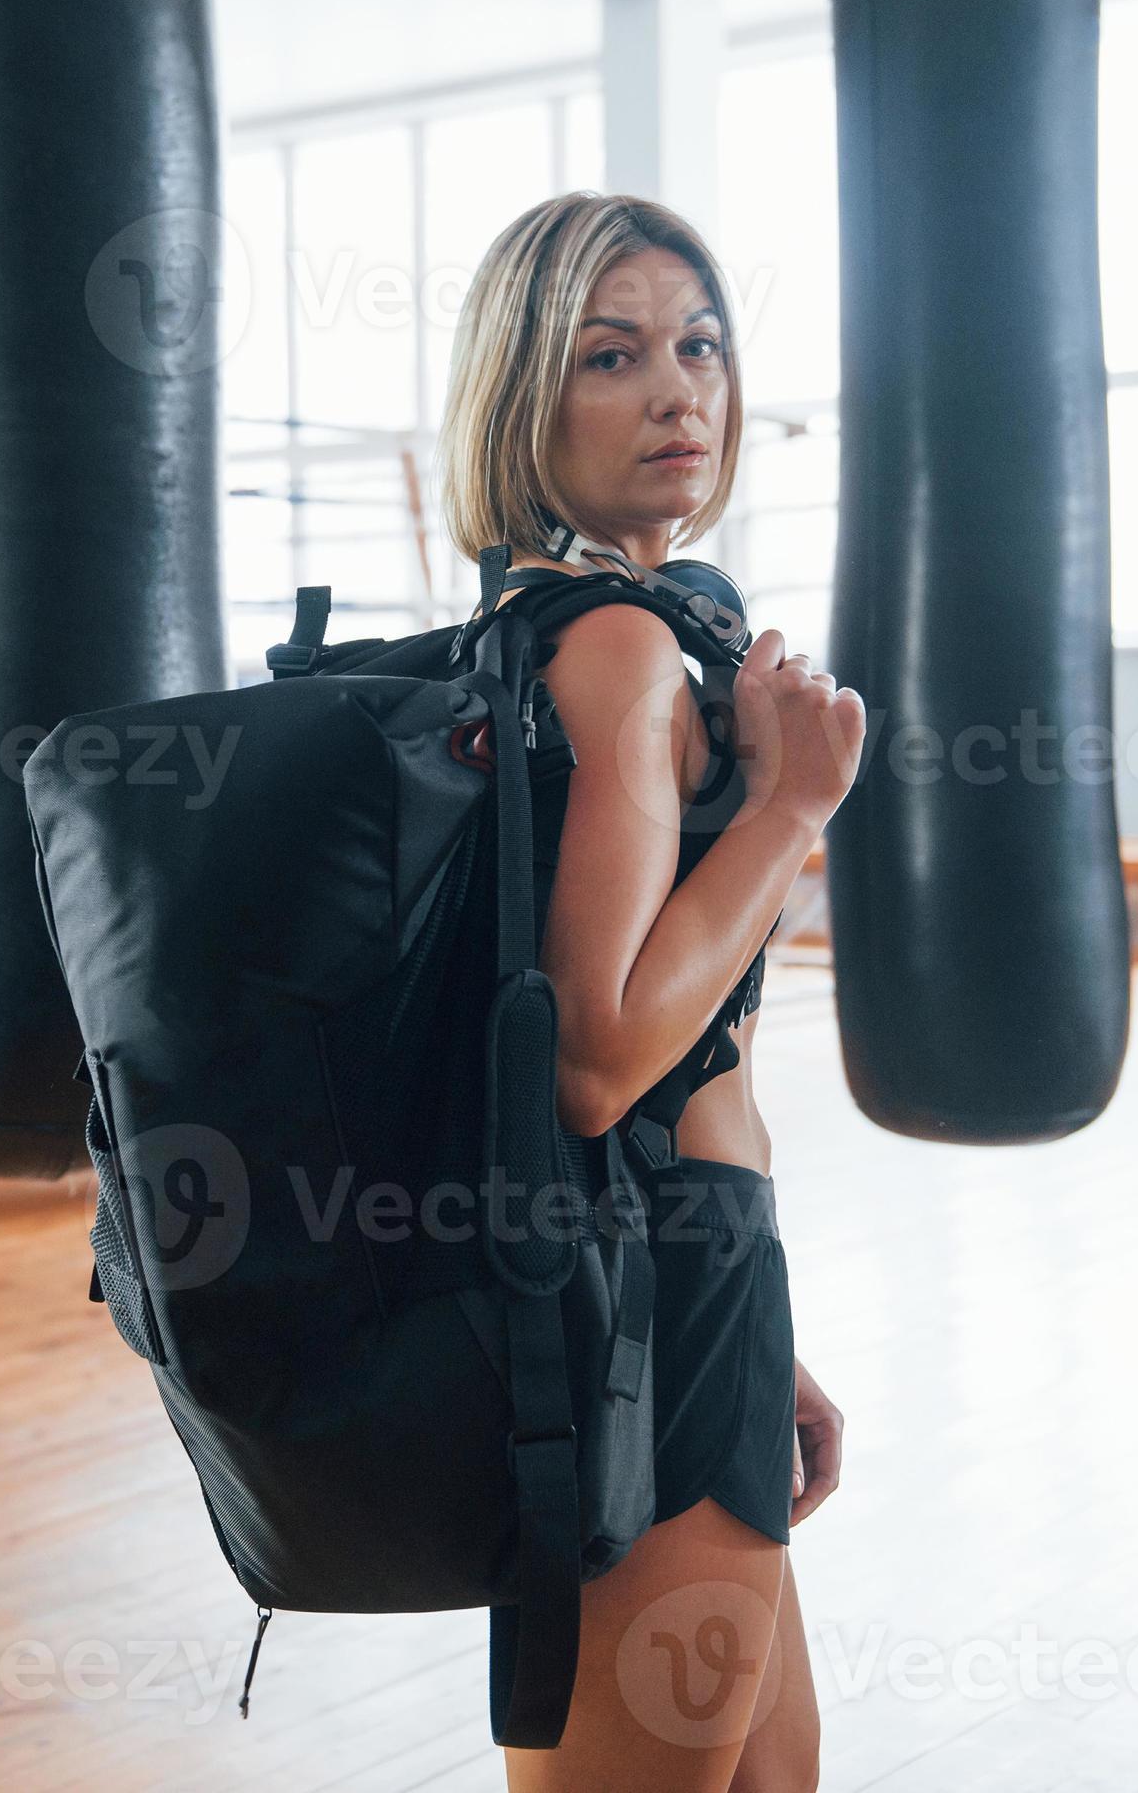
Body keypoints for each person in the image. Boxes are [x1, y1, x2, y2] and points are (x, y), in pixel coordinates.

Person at [440, 191, 868, 1791]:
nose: (678, 390)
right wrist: (792, 810)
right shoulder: (613, 644)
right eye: (609, 355)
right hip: (637, 1304)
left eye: (698, 345)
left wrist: (776, 1337)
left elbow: (701, 1072)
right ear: (523, 396)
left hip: (697, 1270)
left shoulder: (627, 624)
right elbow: (601, 1058)